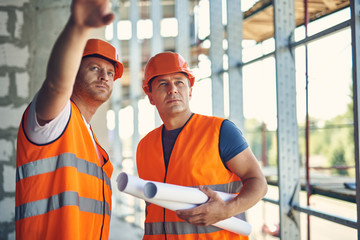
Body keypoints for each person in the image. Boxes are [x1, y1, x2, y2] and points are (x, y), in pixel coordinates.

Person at [15, 0, 123, 239]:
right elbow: (55, 85)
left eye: (110, 73)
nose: (105, 77)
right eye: (94, 68)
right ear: (73, 72)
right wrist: (78, 27)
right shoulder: (56, 118)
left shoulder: (92, 143)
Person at [136, 52, 268, 240]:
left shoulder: (220, 131)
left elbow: (259, 183)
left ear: (190, 90)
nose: (172, 89)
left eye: (179, 82)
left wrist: (227, 210)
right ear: (150, 96)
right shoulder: (145, 146)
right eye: (163, 84)